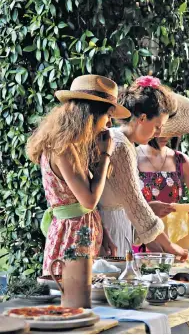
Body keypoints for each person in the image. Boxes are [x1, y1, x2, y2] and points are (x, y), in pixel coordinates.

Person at [27, 75, 131, 275]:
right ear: (91, 114)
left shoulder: (72, 145)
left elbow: (82, 204)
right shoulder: (63, 148)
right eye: (107, 115)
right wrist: (105, 155)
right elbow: (89, 200)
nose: (109, 123)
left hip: (81, 233)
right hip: (72, 238)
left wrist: (102, 232)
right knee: (73, 298)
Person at [98, 76, 187, 260]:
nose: (159, 133)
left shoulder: (121, 141)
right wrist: (170, 247)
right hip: (111, 228)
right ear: (143, 118)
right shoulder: (121, 146)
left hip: (115, 224)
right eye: (157, 126)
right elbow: (134, 203)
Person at [134, 93, 189, 252]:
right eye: (160, 128)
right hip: (138, 241)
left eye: (170, 129)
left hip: (174, 242)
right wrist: (148, 208)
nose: (165, 135)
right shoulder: (131, 157)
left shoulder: (180, 161)